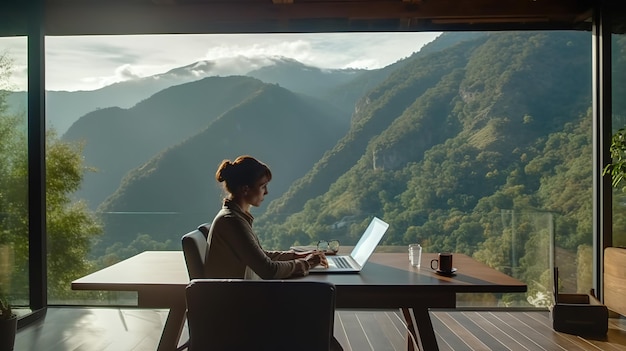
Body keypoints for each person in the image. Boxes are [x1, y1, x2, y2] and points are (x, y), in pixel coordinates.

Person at [205, 155, 328, 279]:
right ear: (245, 189)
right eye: (263, 186)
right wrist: (308, 263)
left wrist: (297, 256)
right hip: (239, 296)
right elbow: (269, 270)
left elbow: (261, 256)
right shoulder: (232, 221)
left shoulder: (234, 217)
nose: (266, 191)